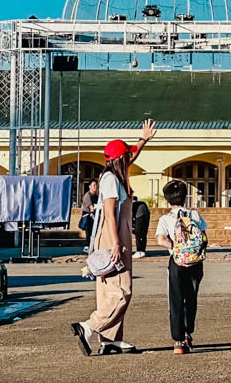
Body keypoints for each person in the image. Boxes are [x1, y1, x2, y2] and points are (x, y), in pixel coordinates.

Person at [71, 119, 156, 357]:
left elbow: (132, 154)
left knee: (108, 291)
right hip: (113, 236)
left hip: (115, 234)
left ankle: (110, 341)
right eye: (127, 155)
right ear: (120, 159)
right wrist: (116, 244)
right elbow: (109, 214)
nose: (130, 157)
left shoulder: (116, 172)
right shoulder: (110, 180)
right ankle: (88, 326)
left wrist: (144, 139)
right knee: (122, 291)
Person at [156, 179, 207, 355]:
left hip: (177, 262)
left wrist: (175, 247)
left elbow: (161, 240)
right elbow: (203, 236)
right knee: (191, 298)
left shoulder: (165, 219)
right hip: (195, 262)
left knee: (176, 299)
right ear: (185, 197)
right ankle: (187, 333)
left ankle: (178, 341)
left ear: (167, 200)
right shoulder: (194, 215)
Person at [80, 180, 99, 252]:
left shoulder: (96, 196)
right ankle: (87, 246)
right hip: (88, 217)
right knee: (89, 233)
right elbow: (91, 208)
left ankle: (93, 247)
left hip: (94, 217)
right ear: (89, 186)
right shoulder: (87, 195)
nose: (95, 187)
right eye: (94, 185)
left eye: (96, 185)